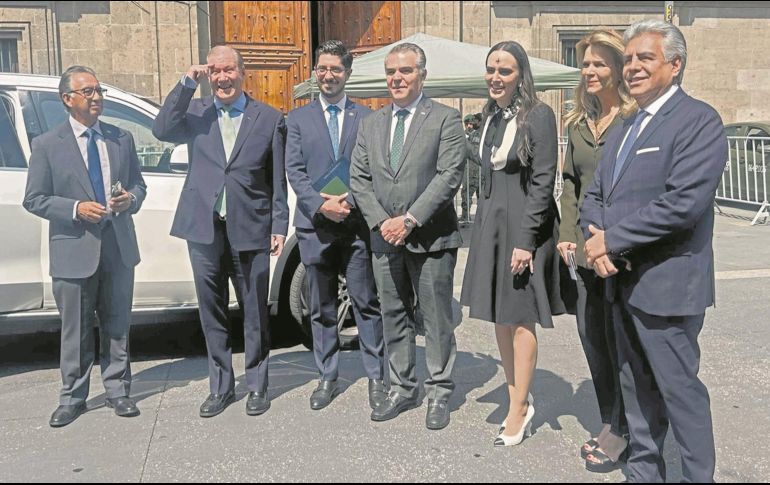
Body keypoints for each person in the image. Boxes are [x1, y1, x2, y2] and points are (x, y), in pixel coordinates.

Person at [580, 19, 727, 483]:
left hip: (667, 285)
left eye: (646, 58)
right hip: (619, 281)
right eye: (628, 59)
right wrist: (595, 240)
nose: (633, 67)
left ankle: (695, 476)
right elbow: (594, 195)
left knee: (677, 389)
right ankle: (644, 470)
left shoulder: (698, 120)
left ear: (675, 65)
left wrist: (612, 239)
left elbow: (683, 203)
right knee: (634, 384)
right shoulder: (625, 127)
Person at [153, 45, 289, 418]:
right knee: (211, 310)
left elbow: (277, 178)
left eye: (228, 70)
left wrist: (279, 224)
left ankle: (258, 385)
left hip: (251, 226)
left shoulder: (269, 118)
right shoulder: (195, 112)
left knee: (254, 310)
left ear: (243, 73)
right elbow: (162, 129)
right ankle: (221, 387)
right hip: (204, 227)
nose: (222, 78)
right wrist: (186, 83)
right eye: (215, 72)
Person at [350, 42, 466, 430]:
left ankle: (439, 391)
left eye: (405, 71)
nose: (396, 79)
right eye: (390, 72)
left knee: (435, 319)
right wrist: (383, 221)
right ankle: (402, 387)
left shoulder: (446, 119)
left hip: (431, 237)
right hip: (384, 238)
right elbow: (359, 180)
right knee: (393, 315)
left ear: (422, 75)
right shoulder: (371, 123)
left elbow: (449, 175)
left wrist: (410, 219)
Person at [23, 65, 147, 427]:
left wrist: (130, 199)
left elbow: (139, 186)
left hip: (118, 245)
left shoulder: (121, 138)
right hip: (74, 248)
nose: (97, 98)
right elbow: (35, 199)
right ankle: (72, 397)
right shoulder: (47, 145)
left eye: (99, 91)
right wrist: (75, 208)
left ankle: (118, 391)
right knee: (75, 330)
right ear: (68, 99)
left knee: (117, 323)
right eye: (88, 92)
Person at [460, 41, 564, 447]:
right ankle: (515, 393)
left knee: (520, 317)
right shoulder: (490, 116)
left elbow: (543, 180)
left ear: (521, 74)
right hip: (493, 224)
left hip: (523, 227)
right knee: (501, 317)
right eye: (491, 69)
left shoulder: (538, 115)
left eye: (505, 70)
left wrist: (526, 241)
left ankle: (519, 406)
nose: (496, 77)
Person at [285, 40, 386, 411]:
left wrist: (351, 202)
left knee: (365, 303)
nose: (328, 75)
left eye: (336, 69)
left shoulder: (368, 119)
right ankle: (327, 375)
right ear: (315, 72)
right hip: (316, 226)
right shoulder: (296, 120)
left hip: (356, 225)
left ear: (348, 73)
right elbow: (294, 171)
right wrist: (321, 204)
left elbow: (373, 170)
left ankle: (377, 376)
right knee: (321, 307)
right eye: (322, 69)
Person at [557, 29, 637, 472]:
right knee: (593, 341)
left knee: (622, 343)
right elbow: (569, 184)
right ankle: (612, 419)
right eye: (585, 63)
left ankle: (625, 429)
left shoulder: (633, 121)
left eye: (599, 63)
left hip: (620, 252)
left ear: (618, 69)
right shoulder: (576, 124)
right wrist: (568, 232)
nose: (589, 70)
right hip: (584, 253)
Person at [460, 113, 481, 222]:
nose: (469, 126)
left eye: (471, 124)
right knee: (465, 194)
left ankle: (481, 218)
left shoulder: (479, 134)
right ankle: (465, 216)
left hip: (479, 170)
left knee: (481, 196)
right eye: (467, 124)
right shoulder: (462, 135)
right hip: (467, 170)